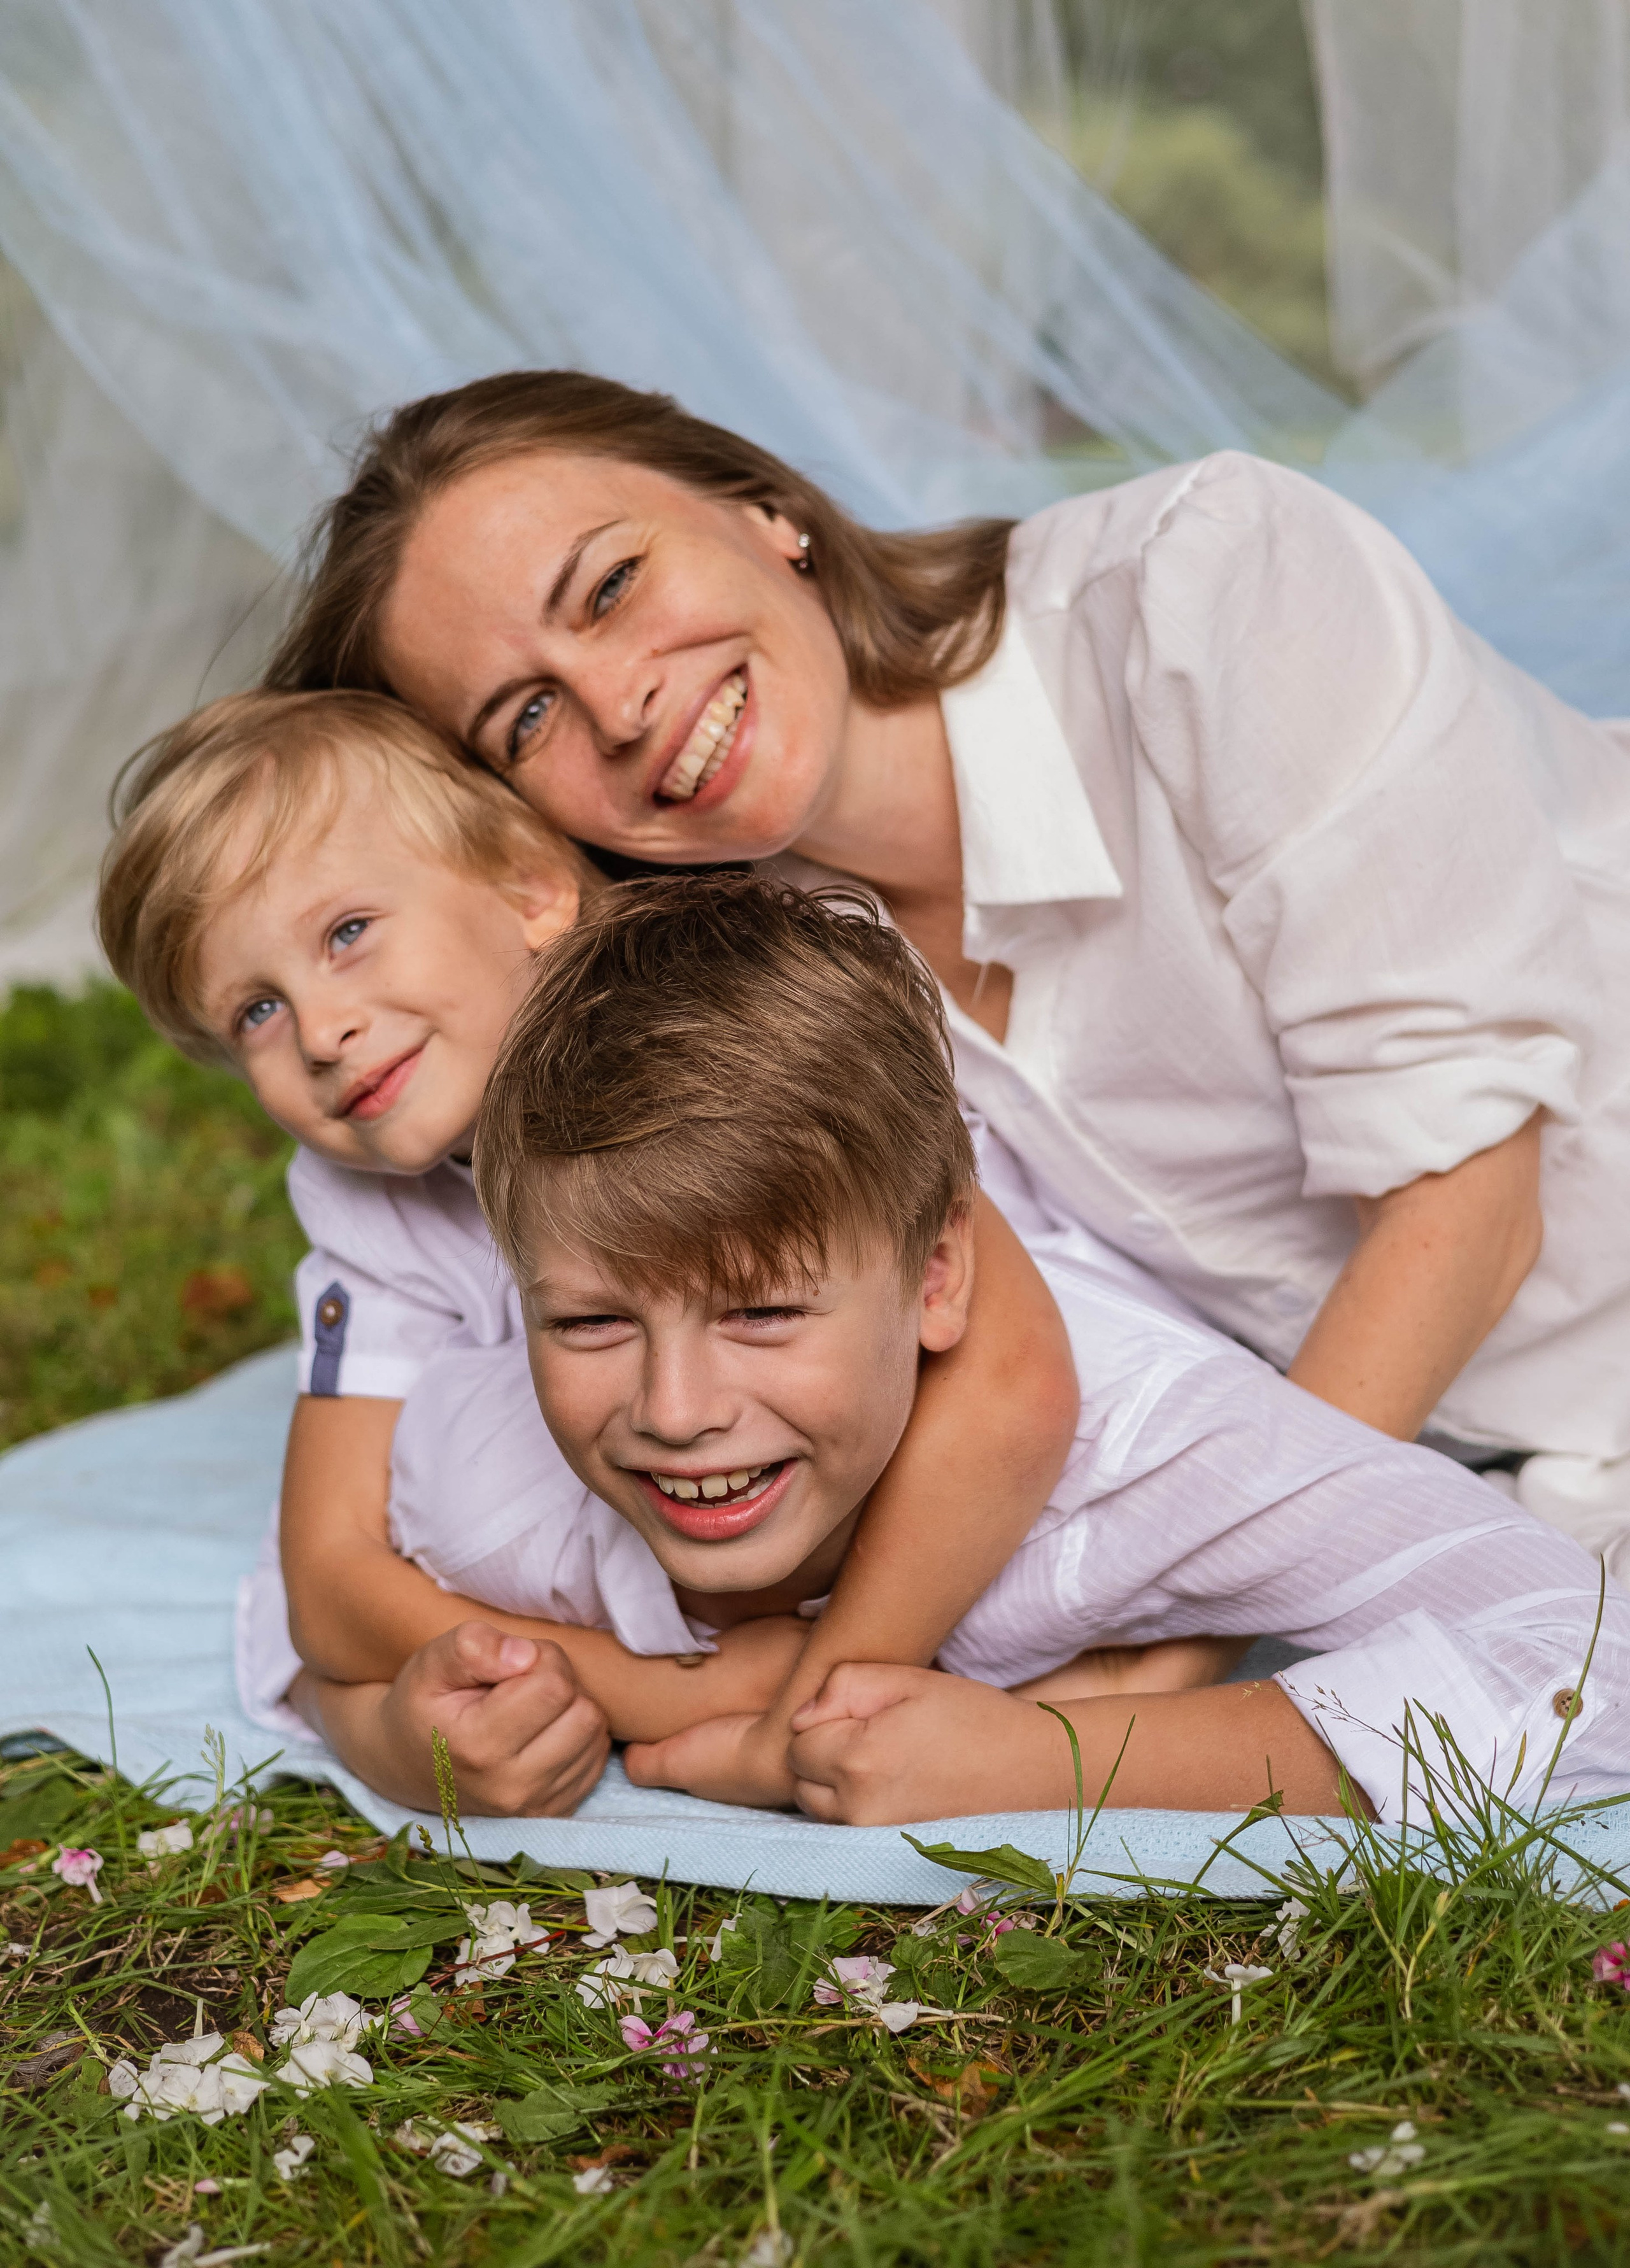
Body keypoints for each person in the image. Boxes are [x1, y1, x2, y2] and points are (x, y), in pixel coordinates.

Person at [264, 371, 1630, 1566]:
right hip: (1521, 1462)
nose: (620, 705)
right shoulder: (747, 992)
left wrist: (1173, 1648)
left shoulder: (1210, 585)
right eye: (528, 716)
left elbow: (1467, 1201)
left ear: (764, 509)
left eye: (613, 587)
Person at [96, 686, 1116, 1817]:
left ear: (532, 890)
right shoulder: (367, 1203)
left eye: (347, 933)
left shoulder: (724, 1030)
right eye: (255, 1013)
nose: (322, 1030)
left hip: (1006, 1481)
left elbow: (1015, 1385)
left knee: (1091, 1592)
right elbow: (327, 1584)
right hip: (730, 1561)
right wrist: (613, 1696)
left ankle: (1118, 1695)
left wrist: (809, 1704)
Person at [420, 870, 1625, 1827]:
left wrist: (1052, 1755)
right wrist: (388, 1724)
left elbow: (1594, 1669)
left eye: (760, 1313)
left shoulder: (1150, 1449)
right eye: (588, 1321)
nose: (674, 1409)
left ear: (940, 1277)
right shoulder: (495, 1464)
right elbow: (327, 1607)